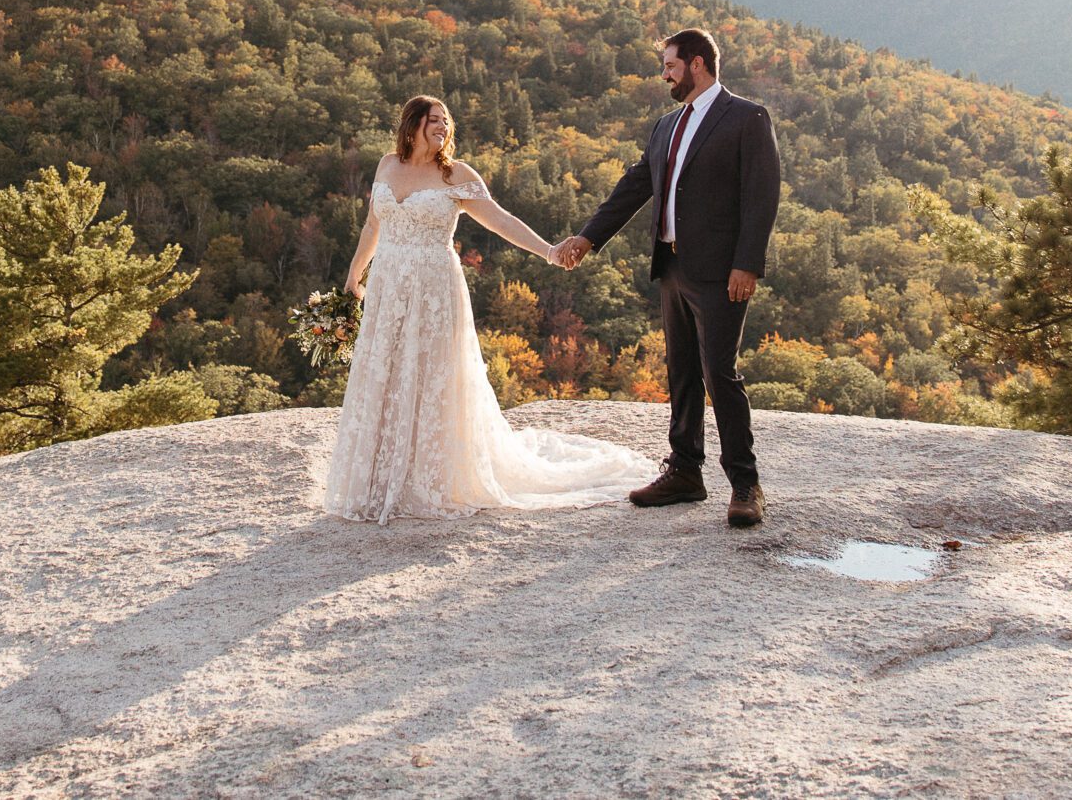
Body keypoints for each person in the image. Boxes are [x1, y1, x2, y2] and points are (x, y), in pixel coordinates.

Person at [322, 94, 649, 522]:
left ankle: (431, 479)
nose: (442, 128)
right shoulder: (387, 164)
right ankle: (382, 477)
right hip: (387, 285)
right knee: (385, 372)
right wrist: (352, 280)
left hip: (434, 288)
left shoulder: (455, 174)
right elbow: (372, 225)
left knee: (433, 374)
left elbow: (500, 220)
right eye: (434, 121)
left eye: (445, 122)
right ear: (411, 125)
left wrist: (550, 252)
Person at [557, 27, 782, 528]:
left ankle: (745, 484)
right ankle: (684, 471)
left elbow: (762, 195)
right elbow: (636, 185)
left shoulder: (746, 117)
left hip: (723, 272)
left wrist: (747, 263)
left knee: (719, 373)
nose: (664, 74)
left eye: (670, 65)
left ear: (697, 63)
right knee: (680, 372)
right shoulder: (665, 127)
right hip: (672, 265)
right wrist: (588, 237)